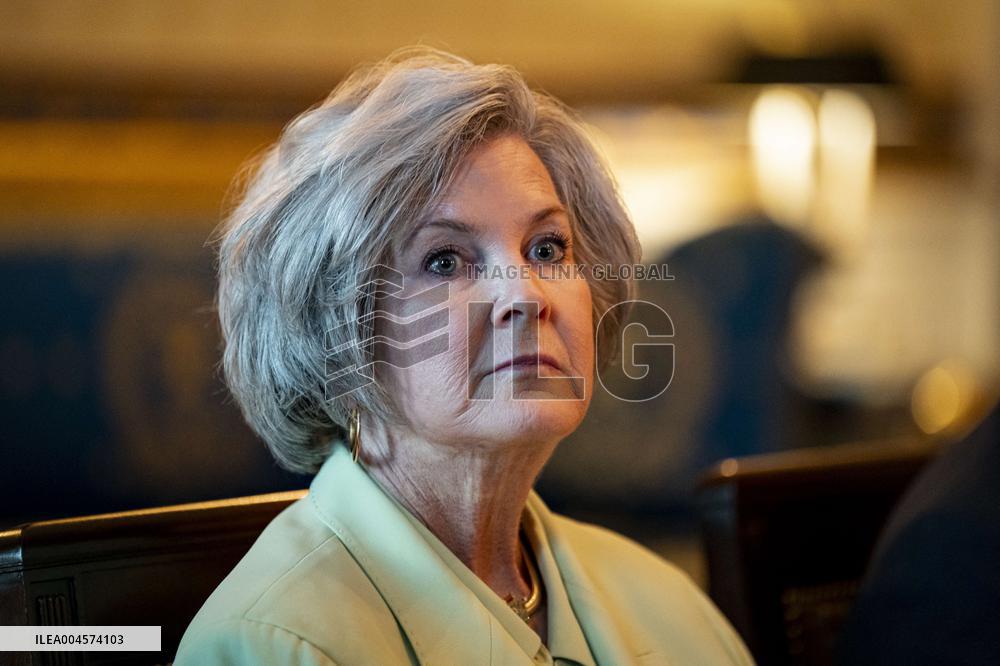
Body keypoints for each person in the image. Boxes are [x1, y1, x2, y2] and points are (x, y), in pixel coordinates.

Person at [175, 47, 754, 665]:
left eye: (548, 248)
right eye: (445, 261)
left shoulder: (671, 608)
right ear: (334, 336)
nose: (526, 296)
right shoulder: (273, 645)